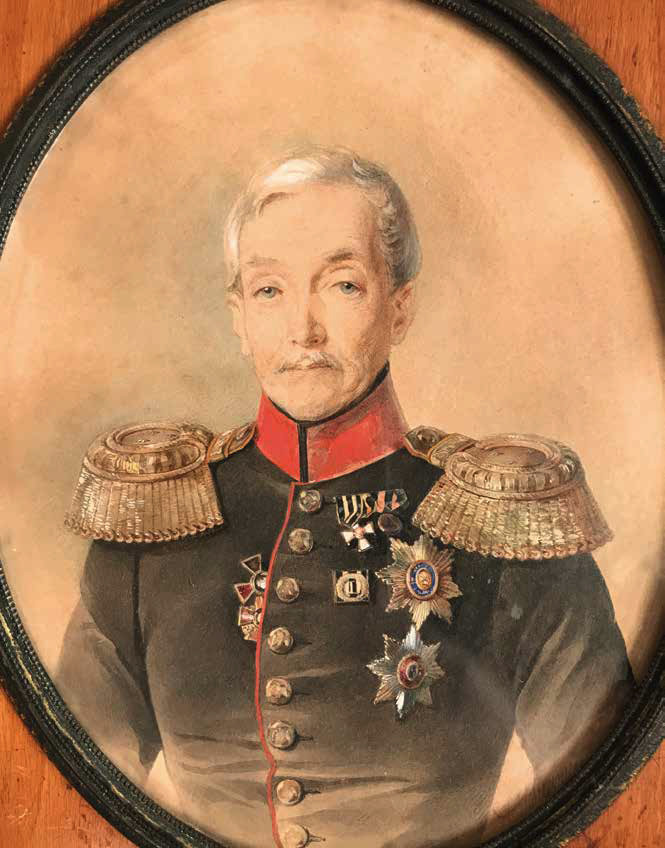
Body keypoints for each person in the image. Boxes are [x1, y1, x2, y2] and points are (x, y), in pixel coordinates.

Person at [57, 146, 634, 848]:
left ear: (400, 307)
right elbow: (71, 802)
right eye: (269, 291)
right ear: (238, 316)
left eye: (342, 285)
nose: (303, 330)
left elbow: (607, 805)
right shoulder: (151, 535)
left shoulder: (509, 528)